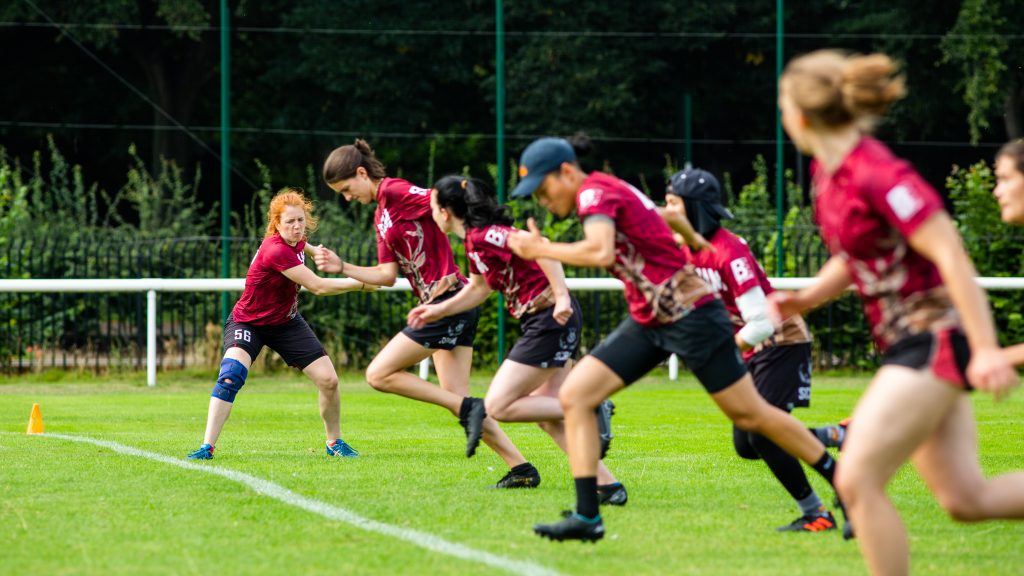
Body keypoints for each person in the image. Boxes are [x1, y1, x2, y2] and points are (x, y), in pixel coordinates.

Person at [506, 134, 844, 542]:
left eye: (543, 189)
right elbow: (664, 215)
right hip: (651, 319)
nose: (542, 200)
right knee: (576, 396)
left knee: (751, 417)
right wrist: (696, 239)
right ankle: (588, 516)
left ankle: (840, 477)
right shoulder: (612, 189)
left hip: (691, 316)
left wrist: (541, 247)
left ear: (566, 171)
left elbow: (599, 251)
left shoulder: (594, 193)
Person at [771, 49, 1022, 575]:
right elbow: (857, 255)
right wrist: (806, 298)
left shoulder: (878, 172)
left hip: (933, 339)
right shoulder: (826, 175)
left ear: (799, 114)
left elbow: (950, 252)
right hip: (908, 346)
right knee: (965, 499)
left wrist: (986, 349)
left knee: (856, 477)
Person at [316, 139, 538, 488]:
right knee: (458, 401)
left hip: (447, 302)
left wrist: (486, 231)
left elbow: (445, 197)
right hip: (447, 307)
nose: (347, 197)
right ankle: (521, 468)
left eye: (346, 189)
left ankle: (473, 410)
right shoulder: (380, 216)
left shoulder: (396, 192)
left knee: (378, 374)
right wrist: (342, 265)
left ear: (361, 173)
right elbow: (386, 276)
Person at [407, 175, 627, 505]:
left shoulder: (485, 235)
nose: (431, 211)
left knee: (500, 405)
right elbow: (479, 289)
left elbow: (543, 251)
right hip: (543, 320)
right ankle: (608, 486)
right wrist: (438, 312)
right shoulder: (473, 242)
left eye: (434, 205)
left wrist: (562, 296)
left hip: (549, 319)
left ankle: (590, 406)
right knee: (546, 416)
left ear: (446, 211)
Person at [666, 167, 836, 532]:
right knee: (746, 445)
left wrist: (719, 351)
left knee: (763, 434)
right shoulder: (685, 249)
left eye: (673, 204)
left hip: (780, 341)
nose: (666, 212)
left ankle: (817, 513)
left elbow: (761, 323)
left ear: (694, 209)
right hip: (751, 348)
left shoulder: (729, 252)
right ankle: (834, 436)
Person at [187, 188, 371, 460]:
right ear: (276, 224)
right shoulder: (275, 249)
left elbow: (309, 251)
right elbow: (318, 286)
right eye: (290, 222)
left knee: (329, 380)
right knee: (231, 375)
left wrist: (322, 255)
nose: (297, 227)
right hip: (249, 322)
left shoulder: (297, 239)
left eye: (300, 220)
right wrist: (361, 283)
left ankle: (334, 443)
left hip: (286, 322)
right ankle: (207, 447)